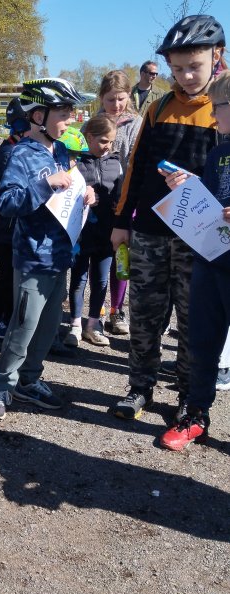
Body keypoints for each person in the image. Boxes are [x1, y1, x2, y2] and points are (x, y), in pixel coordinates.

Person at [110, 14, 225, 421]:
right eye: (177, 69)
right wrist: (121, 221)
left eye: (194, 66)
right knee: (144, 315)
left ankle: (189, 396)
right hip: (149, 231)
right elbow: (136, 168)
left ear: (218, 56)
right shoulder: (158, 108)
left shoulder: (223, 111)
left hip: (202, 236)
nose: (186, 76)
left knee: (194, 320)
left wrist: (200, 185)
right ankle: (139, 387)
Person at [0, 78, 95, 421]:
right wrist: (45, 183)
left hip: (59, 256)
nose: (71, 120)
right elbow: (7, 203)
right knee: (23, 327)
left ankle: (29, 379)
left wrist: (85, 194)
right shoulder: (21, 154)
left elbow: (68, 192)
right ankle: (1, 385)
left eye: (71, 112)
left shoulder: (60, 150)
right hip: (33, 257)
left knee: (47, 327)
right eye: (64, 113)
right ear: (38, 116)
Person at [157, 69, 230, 450]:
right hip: (210, 262)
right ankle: (195, 414)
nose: (213, 115)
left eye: (218, 107)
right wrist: (189, 187)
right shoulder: (218, 153)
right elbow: (213, 203)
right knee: (201, 344)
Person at [64, 114, 122, 348]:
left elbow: (121, 192)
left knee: (100, 280)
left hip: (106, 232)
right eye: (103, 141)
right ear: (89, 137)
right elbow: (67, 193)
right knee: (78, 277)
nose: (108, 146)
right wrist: (84, 195)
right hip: (82, 232)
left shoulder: (116, 163)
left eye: (111, 142)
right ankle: (75, 325)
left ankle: (93, 324)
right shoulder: (77, 162)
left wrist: (119, 204)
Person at [95, 70, 143, 336]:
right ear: (102, 98)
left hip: (124, 200)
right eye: (110, 99)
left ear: (129, 97)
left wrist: (128, 199)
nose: (116, 105)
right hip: (98, 199)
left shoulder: (136, 124)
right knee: (98, 255)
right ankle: (96, 309)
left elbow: (137, 160)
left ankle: (117, 309)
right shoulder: (94, 123)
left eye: (121, 99)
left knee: (120, 258)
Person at [0, 97, 32, 340]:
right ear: (22, 126)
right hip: (5, 227)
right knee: (7, 275)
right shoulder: (9, 153)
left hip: (9, 226)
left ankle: (6, 316)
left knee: (11, 273)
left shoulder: (14, 149)